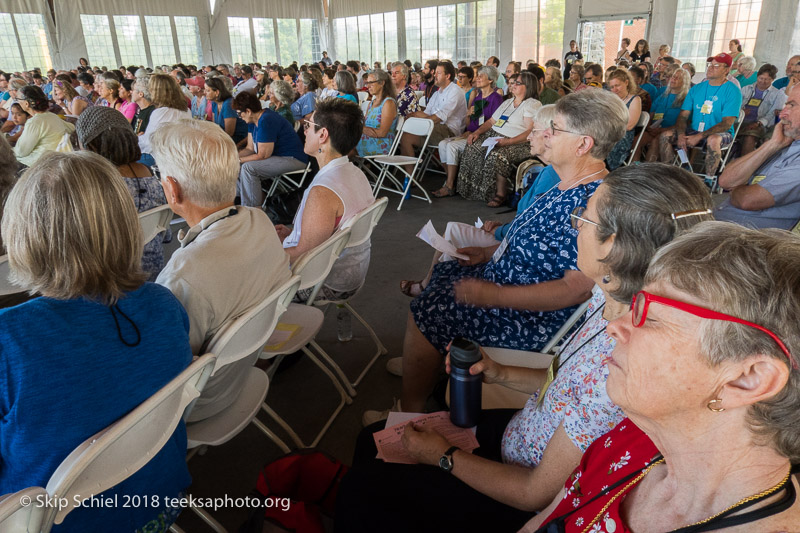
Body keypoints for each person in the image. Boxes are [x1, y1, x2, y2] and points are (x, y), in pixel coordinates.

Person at [340, 162, 714, 533]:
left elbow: (533, 495)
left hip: (517, 487)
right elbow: (566, 387)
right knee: (385, 436)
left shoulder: (620, 366)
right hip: (524, 432)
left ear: (612, 244)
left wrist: (443, 456)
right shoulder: (611, 295)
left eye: (584, 218)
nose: (576, 224)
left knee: (365, 480)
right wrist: (500, 372)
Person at [366, 90, 627, 422]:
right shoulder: (568, 184)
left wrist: (495, 294)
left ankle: (408, 416)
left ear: (583, 144)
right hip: (506, 286)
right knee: (445, 275)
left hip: (531, 318)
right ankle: (422, 363)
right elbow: (531, 239)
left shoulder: (591, 203)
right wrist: (488, 254)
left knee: (428, 308)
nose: (545, 133)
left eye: (555, 129)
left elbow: (574, 288)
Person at [523, 221, 800, 533]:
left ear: (748, 379)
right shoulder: (635, 436)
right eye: (638, 302)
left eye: (651, 316)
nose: (616, 326)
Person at [0, 151, 193, 532]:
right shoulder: (164, 305)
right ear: (124, 224)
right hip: (160, 505)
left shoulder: (10, 341)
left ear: (22, 233)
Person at [151, 119, 291, 422]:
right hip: (244, 371)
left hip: (199, 403)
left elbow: (166, 369)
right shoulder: (259, 221)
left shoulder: (181, 276)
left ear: (172, 190)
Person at [401, 104, 559, 298]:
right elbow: (527, 222)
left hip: (515, 248)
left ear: (550, 136)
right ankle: (433, 286)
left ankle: (433, 290)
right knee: (452, 231)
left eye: (533, 131)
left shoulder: (552, 177)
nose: (528, 136)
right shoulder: (549, 171)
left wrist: (498, 230)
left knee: (453, 232)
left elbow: (527, 231)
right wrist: (502, 226)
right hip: (513, 239)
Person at [275, 98, 374, 302]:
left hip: (324, 281)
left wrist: (263, 254)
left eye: (307, 126)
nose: (304, 131)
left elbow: (303, 255)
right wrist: (294, 234)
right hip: (352, 272)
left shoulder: (324, 191)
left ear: (323, 134)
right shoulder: (355, 173)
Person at [76, 105, 171, 280]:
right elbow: (166, 235)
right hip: (155, 273)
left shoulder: (96, 186)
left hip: (111, 279)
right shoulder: (152, 175)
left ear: (89, 146)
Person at [714, 83, 800, 230]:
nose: (782, 114)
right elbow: (726, 181)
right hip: (722, 225)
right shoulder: (785, 143)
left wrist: (738, 189)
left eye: (791, 105)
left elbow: (747, 200)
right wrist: (772, 145)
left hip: (747, 241)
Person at [456, 71, 541, 206]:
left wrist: (508, 141)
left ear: (528, 86)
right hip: (495, 136)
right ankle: (472, 189)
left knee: (498, 155)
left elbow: (530, 132)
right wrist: (476, 133)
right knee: (473, 146)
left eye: (517, 83)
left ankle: (500, 193)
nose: (512, 86)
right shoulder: (508, 102)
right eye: (512, 83)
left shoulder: (531, 104)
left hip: (519, 142)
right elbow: (490, 122)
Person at [658, 53, 742, 177]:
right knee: (665, 136)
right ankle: (671, 175)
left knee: (713, 139)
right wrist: (681, 134)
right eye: (710, 64)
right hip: (694, 130)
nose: (710, 68)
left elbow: (727, 123)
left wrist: (699, 136)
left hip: (720, 133)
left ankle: (709, 179)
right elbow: (683, 116)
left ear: (727, 70)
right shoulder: (697, 89)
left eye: (716, 65)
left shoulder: (733, 91)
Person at [432, 65, 504, 198]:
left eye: (481, 76)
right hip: (471, 134)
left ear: (490, 80)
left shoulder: (496, 99)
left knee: (452, 146)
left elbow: (495, 124)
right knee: (443, 144)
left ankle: (449, 185)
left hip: (484, 136)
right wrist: (468, 116)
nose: (477, 78)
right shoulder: (478, 98)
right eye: (478, 75)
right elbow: (470, 124)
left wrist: (475, 132)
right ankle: (452, 182)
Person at [233, 91, 308, 208]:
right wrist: (233, 157)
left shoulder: (266, 120)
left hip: (293, 158)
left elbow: (263, 155)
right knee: (237, 165)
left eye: (239, 114)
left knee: (248, 168)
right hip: (277, 157)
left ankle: (252, 210)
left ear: (248, 111)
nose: (240, 117)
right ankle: (237, 201)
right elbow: (250, 148)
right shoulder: (253, 121)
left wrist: (239, 160)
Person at [399, 62, 468, 177]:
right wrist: (412, 115)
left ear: (448, 76)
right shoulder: (437, 93)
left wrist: (417, 118)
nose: (434, 75)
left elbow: (438, 117)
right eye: (435, 72)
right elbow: (427, 113)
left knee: (409, 129)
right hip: (433, 127)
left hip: (449, 131)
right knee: (405, 136)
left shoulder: (455, 91)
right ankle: (409, 177)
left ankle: (409, 178)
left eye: (438, 73)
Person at [12, 85, 75, 167]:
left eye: (18, 99)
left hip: (40, 164)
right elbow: (72, 128)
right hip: (57, 160)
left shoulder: (34, 122)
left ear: (27, 104)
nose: (18, 102)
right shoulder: (52, 116)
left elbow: (21, 151)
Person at [639, 68, 692, 162]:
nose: (673, 79)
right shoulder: (663, 96)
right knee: (637, 139)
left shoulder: (686, 99)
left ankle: (654, 170)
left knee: (656, 141)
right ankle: (634, 164)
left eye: (677, 78)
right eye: (673, 76)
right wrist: (649, 127)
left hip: (673, 131)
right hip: (654, 129)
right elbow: (651, 113)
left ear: (684, 82)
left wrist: (661, 130)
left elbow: (685, 122)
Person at [138, 73, 191, 166]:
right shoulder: (186, 110)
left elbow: (149, 143)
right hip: (179, 154)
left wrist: (133, 140)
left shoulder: (162, 112)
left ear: (157, 92)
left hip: (161, 157)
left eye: (151, 89)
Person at [738, 64, 787, 155]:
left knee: (750, 136)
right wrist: (741, 112)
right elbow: (736, 106)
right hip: (739, 121)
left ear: (772, 80)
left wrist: (759, 123)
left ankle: (744, 163)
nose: (763, 81)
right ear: (757, 76)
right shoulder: (745, 89)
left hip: (760, 125)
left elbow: (772, 114)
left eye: (767, 79)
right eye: (761, 78)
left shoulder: (777, 94)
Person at [605, 69, 642, 170]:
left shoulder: (635, 99)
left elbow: (629, 125)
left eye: (617, 85)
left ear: (626, 82)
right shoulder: (612, 101)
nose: (615, 89)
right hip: (608, 134)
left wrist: (609, 125)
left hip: (622, 137)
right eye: (612, 87)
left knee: (601, 144)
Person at [356, 69, 397, 157]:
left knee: (342, 149)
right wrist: (362, 128)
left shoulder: (388, 103)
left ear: (382, 83)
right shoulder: (372, 103)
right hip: (367, 140)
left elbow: (382, 133)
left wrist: (362, 129)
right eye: (367, 83)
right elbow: (364, 125)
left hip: (380, 144)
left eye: (371, 83)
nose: (368, 86)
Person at [204, 76, 248, 146]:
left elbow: (229, 133)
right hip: (223, 137)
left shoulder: (228, 104)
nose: (204, 93)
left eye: (208, 90)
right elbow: (214, 126)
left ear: (217, 92)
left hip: (237, 139)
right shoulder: (214, 103)